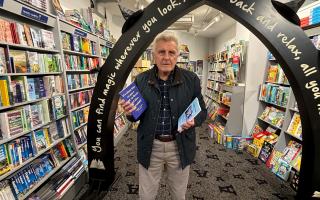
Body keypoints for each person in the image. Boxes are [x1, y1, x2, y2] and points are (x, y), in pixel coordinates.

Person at [119, 31, 207, 200]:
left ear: (177, 55)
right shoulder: (141, 80)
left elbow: (203, 111)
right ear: (154, 55)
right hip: (150, 147)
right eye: (161, 52)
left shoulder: (191, 79)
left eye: (171, 52)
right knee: (146, 196)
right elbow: (134, 117)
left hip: (180, 145)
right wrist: (130, 113)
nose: (166, 57)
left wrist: (194, 121)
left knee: (178, 195)